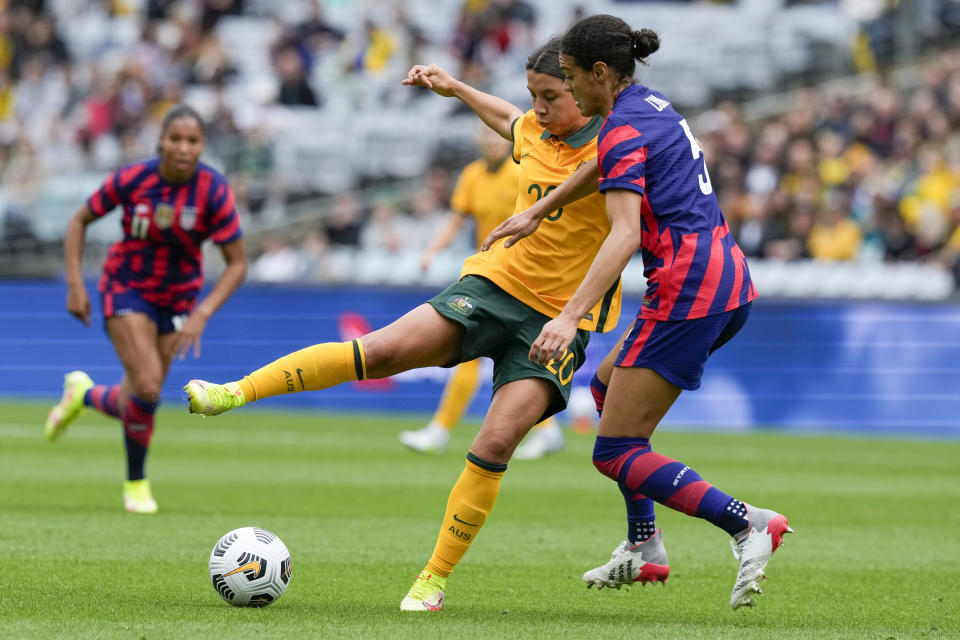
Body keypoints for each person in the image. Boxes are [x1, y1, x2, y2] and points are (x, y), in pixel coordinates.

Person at [183, 37, 621, 611]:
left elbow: (626, 231)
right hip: (493, 287)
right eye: (533, 96)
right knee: (379, 352)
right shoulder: (534, 131)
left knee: (496, 440)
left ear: (587, 89)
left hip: (562, 321)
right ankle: (234, 392)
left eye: (551, 97)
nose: (538, 109)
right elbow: (508, 119)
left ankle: (432, 579)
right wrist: (456, 87)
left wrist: (573, 316)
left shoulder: (620, 148)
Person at [482, 15, 791, 611]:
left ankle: (747, 523)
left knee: (614, 450)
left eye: (570, 80)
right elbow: (605, 164)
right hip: (727, 278)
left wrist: (568, 316)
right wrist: (540, 210)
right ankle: (644, 548)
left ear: (600, 73)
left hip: (686, 289)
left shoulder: (620, 127)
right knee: (603, 390)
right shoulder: (651, 104)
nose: (566, 93)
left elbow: (623, 235)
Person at [44, 104, 247, 514]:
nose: (184, 148)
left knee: (141, 393)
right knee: (150, 384)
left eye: (193, 141)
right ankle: (136, 485)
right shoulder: (133, 178)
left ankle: (83, 394)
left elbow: (238, 262)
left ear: (202, 145)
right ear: (161, 142)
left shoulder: (213, 190)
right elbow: (78, 221)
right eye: (176, 139)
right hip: (126, 287)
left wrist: (202, 313)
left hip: (178, 299)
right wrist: (74, 284)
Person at [398, 123, 564, 459]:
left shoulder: (521, 172)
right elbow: (456, 219)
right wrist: (432, 251)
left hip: (521, 275)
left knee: (493, 352)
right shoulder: (472, 175)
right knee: (485, 354)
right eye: (484, 136)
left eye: (495, 135)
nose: (490, 141)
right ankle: (543, 431)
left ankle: (442, 431)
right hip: (489, 273)